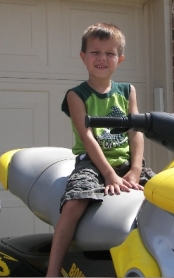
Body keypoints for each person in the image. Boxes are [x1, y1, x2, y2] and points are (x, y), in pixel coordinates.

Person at [46, 23, 155, 277]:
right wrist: (108, 174)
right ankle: (52, 271)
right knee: (73, 205)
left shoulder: (127, 91)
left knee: (165, 195)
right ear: (83, 57)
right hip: (92, 163)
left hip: (127, 163)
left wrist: (136, 169)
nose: (102, 58)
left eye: (110, 53)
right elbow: (87, 137)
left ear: (120, 59)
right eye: (95, 52)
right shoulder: (76, 95)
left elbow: (135, 131)